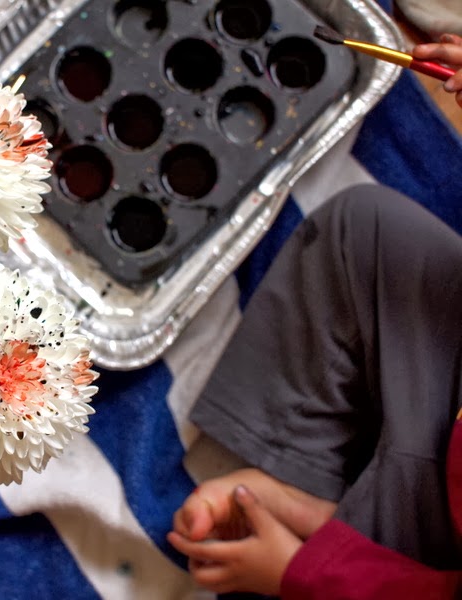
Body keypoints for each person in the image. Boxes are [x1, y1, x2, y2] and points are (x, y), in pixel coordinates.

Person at [167, 36, 462, 597]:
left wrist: (298, 573)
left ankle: (339, 532)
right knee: (363, 229)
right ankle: (309, 486)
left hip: (423, 563)